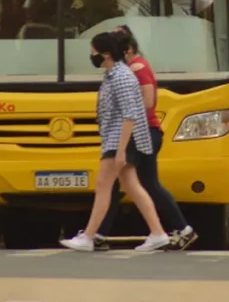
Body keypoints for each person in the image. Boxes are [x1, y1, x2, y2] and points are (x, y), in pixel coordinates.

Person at [60, 32, 171, 252]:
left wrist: (121, 150)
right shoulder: (114, 74)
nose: (91, 55)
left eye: (93, 51)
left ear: (106, 53)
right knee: (132, 186)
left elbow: (130, 114)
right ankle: (158, 233)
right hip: (117, 138)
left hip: (119, 139)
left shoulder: (120, 76)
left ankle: (89, 236)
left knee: (103, 185)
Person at [93, 26, 197, 251]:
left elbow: (148, 102)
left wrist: (123, 114)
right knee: (129, 182)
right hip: (141, 131)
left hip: (143, 131)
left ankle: (98, 233)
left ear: (128, 49)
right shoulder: (130, 68)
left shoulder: (136, 68)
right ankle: (98, 233)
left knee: (130, 183)